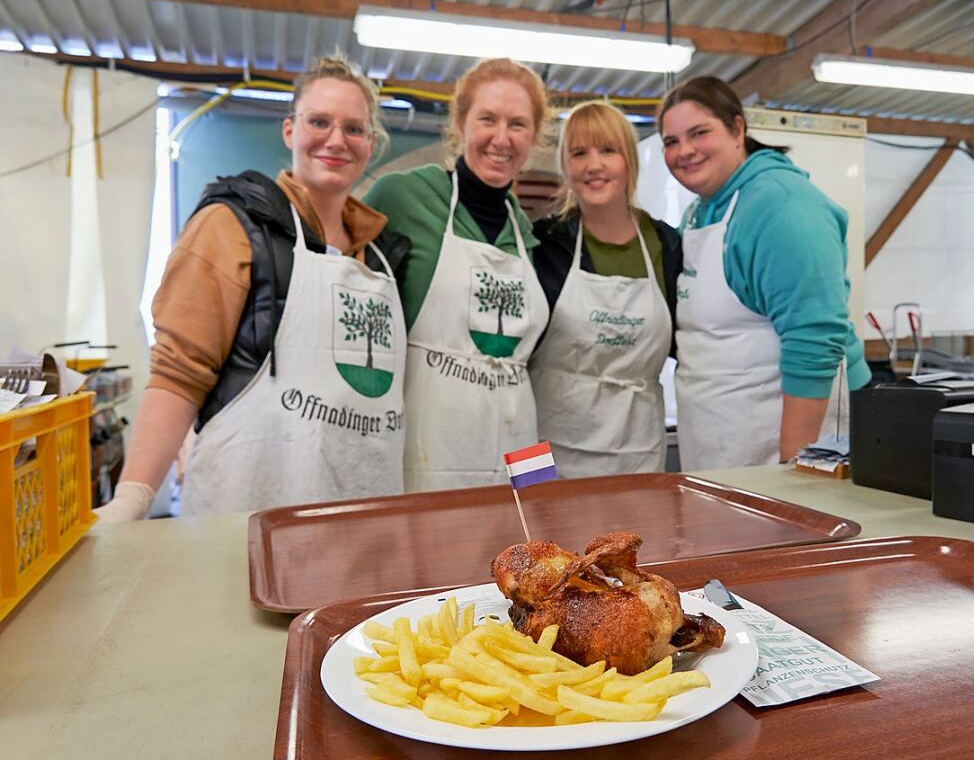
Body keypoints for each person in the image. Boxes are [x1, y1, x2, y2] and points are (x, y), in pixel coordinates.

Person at [96, 55, 409, 522]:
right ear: (289, 130)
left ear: (371, 144)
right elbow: (179, 373)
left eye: (355, 129)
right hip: (246, 514)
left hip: (361, 516)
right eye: (319, 122)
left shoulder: (384, 255)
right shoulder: (233, 224)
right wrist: (134, 497)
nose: (336, 140)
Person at [657, 76, 870, 470]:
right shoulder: (702, 210)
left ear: (737, 129)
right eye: (671, 142)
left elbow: (815, 337)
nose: (684, 151)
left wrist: (795, 468)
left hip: (781, 439)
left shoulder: (782, 206)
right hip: (722, 437)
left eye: (699, 133)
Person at [363, 58, 550, 492]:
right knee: (434, 555)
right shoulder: (405, 196)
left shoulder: (525, 232)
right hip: (431, 452)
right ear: (460, 123)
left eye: (518, 124)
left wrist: (538, 482)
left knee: (529, 542)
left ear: (534, 138)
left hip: (520, 443)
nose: (501, 138)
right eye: (488, 119)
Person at [529, 101, 682, 477]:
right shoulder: (543, 244)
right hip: (549, 449)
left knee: (634, 537)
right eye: (579, 153)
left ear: (629, 160)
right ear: (565, 166)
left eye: (608, 150)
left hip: (638, 449)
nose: (593, 165)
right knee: (547, 535)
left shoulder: (666, 244)